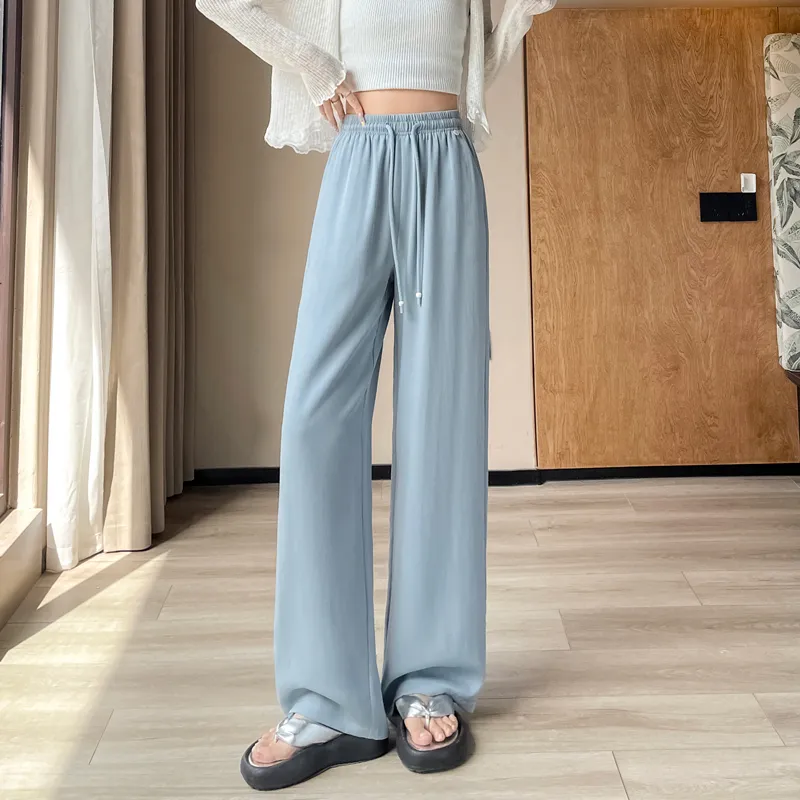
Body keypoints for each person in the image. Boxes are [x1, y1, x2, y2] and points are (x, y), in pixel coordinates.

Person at [196, 0, 556, 791]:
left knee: (443, 419)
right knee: (315, 415)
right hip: (360, 158)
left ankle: (430, 679)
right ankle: (328, 700)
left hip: (446, 160)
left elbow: (486, 49)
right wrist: (313, 65)